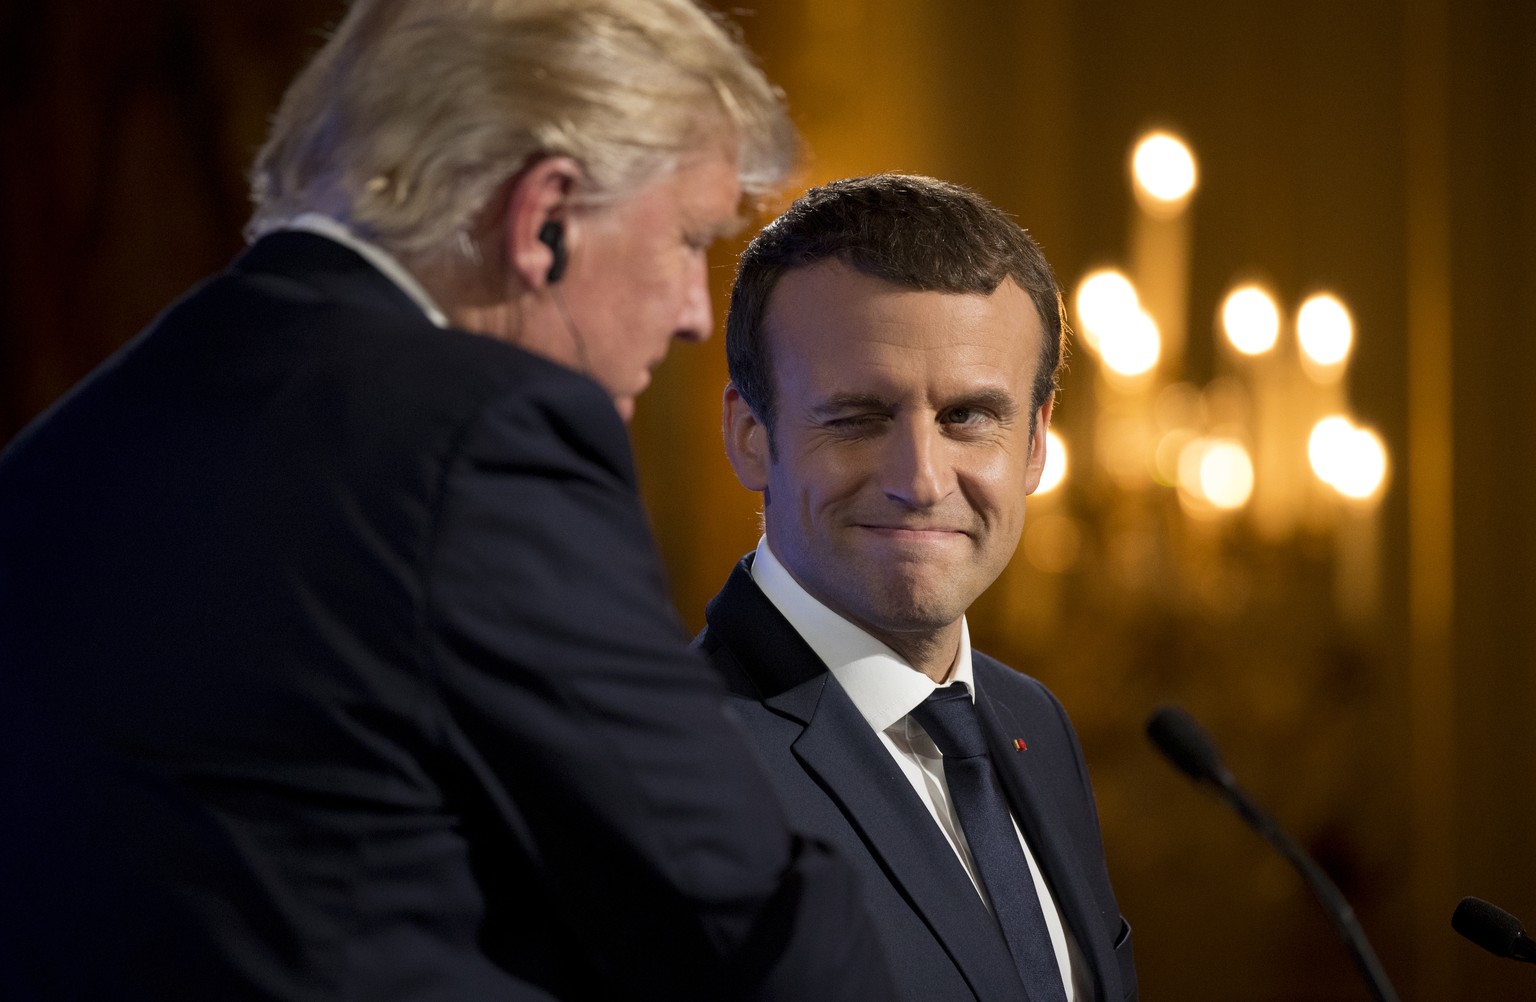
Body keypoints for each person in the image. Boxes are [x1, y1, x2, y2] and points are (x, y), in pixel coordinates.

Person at [0, 2, 896, 999]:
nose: (696, 313)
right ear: (546, 221)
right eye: (690, 240)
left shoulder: (66, 445)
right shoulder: (476, 436)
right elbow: (753, 920)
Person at [697, 173, 1137, 1001]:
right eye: (858, 417)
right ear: (750, 435)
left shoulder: (1035, 725)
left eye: (968, 416)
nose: (922, 479)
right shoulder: (666, 767)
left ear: (1036, 445)